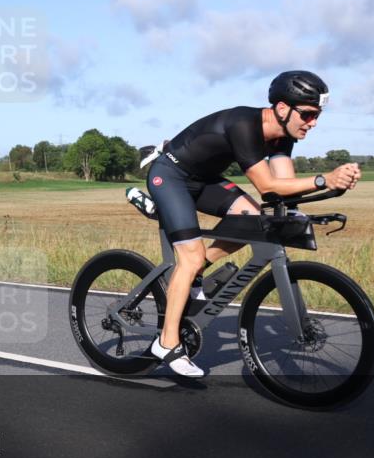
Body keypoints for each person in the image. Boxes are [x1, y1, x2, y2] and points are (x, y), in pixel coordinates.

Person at [145, 70, 361, 377]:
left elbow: (285, 186)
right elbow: (268, 187)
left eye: (317, 115)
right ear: (283, 108)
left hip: (204, 181)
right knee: (189, 257)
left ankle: (192, 277)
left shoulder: (284, 136)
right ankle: (166, 343)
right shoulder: (244, 125)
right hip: (170, 176)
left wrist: (331, 188)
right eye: (309, 114)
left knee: (254, 219)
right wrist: (325, 178)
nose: (313, 123)